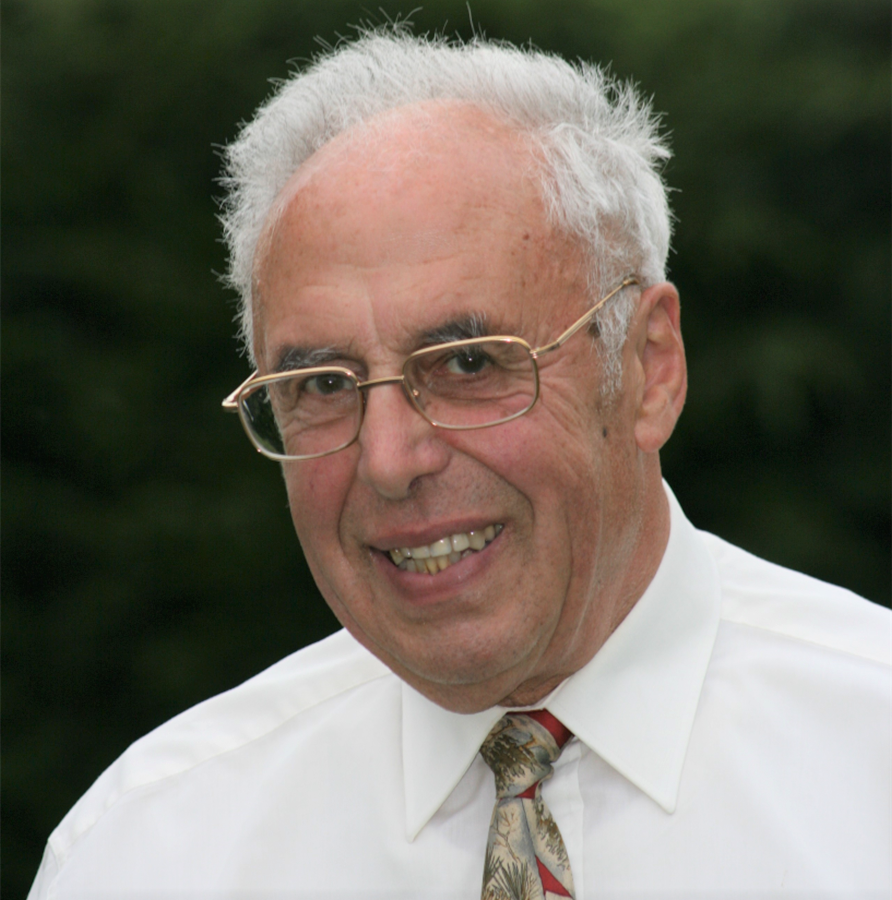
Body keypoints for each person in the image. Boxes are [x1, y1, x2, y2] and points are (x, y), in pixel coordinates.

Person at [29, 29, 891, 900]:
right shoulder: (150, 852)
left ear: (647, 369)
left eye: (469, 363)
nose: (389, 459)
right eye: (322, 384)